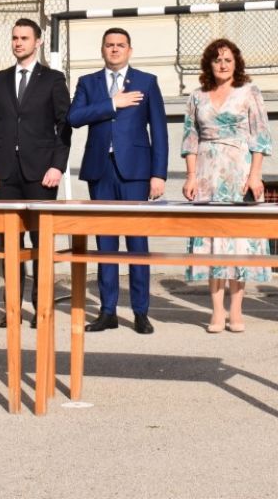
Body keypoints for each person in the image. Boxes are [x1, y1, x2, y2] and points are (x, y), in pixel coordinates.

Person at [69, 27, 168, 334]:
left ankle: (140, 311)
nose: (114, 49)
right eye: (109, 45)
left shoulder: (146, 82)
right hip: (100, 171)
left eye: (120, 45)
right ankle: (108, 311)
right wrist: (113, 103)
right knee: (105, 243)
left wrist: (158, 174)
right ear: (102, 50)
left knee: (137, 242)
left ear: (129, 50)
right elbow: (74, 118)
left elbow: (159, 130)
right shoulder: (88, 82)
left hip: (136, 171)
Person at [0, 18, 71, 328]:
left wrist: (58, 166)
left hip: (41, 173)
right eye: (15, 38)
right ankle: (13, 309)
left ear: (38, 42)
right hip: (5, 173)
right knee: (11, 245)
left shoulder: (53, 79)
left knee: (41, 244)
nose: (18, 43)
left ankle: (41, 309)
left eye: (24, 38)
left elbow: (64, 126)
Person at [180, 38, 272, 333]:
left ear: (236, 64)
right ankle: (217, 311)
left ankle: (236, 309)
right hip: (207, 173)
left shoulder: (249, 91)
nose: (222, 65)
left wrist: (255, 175)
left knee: (238, 238)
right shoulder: (197, 96)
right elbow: (190, 138)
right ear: (209, 64)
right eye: (217, 60)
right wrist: (191, 175)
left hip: (239, 171)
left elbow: (260, 136)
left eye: (228, 60)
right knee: (212, 239)